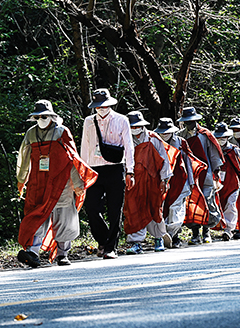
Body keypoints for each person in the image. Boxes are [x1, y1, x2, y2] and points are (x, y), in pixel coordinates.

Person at [16, 100, 98, 267]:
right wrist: (21, 179)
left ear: (51, 116)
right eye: (38, 117)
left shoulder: (62, 132)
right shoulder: (31, 134)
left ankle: (62, 254)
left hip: (61, 182)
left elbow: (72, 158)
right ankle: (33, 252)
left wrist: (77, 183)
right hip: (38, 182)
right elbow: (24, 158)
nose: (41, 119)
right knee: (37, 215)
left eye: (44, 116)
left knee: (64, 217)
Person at [80, 88, 135, 259]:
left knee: (114, 210)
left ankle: (111, 247)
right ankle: (103, 239)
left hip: (115, 168)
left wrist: (130, 171)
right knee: (92, 208)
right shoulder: (89, 121)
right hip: (94, 169)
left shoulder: (121, 120)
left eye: (104, 105)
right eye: (98, 106)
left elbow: (129, 146)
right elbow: (84, 146)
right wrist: (83, 171)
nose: (101, 109)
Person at [123, 111, 173, 254]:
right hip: (133, 181)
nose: (134, 129)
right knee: (133, 209)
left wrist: (164, 180)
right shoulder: (124, 138)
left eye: (137, 126)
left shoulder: (153, 138)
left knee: (155, 208)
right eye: (132, 127)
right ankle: (136, 242)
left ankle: (158, 238)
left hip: (152, 180)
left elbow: (164, 160)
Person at [177, 107, 224, 245]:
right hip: (189, 175)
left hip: (206, 174)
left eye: (191, 121)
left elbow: (214, 154)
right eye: (187, 122)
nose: (189, 124)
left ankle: (206, 232)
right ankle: (195, 233)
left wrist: (216, 171)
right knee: (192, 203)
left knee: (207, 201)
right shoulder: (180, 135)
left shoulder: (205, 134)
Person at [154, 118, 203, 248]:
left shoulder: (181, 142)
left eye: (167, 132)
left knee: (176, 210)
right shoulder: (154, 142)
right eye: (162, 132)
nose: (164, 134)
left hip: (180, 181)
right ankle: (164, 235)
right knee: (163, 208)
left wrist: (191, 181)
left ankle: (172, 235)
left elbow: (188, 162)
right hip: (161, 181)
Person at [214, 122, 240, 240]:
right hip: (218, 183)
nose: (221, 139)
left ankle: (229, 229)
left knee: (231, 205)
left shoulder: (235, 150)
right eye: (219, 137)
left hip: (233, 183)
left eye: (223, 137)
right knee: (220, 204)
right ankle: (221, 226)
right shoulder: (213, 149)